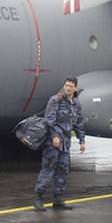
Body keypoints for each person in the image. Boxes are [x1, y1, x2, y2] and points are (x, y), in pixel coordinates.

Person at [33, 77, 86, 211]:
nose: (67, 88)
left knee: (63, 170)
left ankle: (58, 200)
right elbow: (49, 120)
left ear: (75, 88)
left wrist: (82, 140)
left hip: (66, 143)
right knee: (48, 169)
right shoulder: (55, 100)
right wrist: (54, 136)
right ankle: (38, 198)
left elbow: (78, 123)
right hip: (53, 143)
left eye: (70, 86)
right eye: (66, 85)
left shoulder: (76, 104)